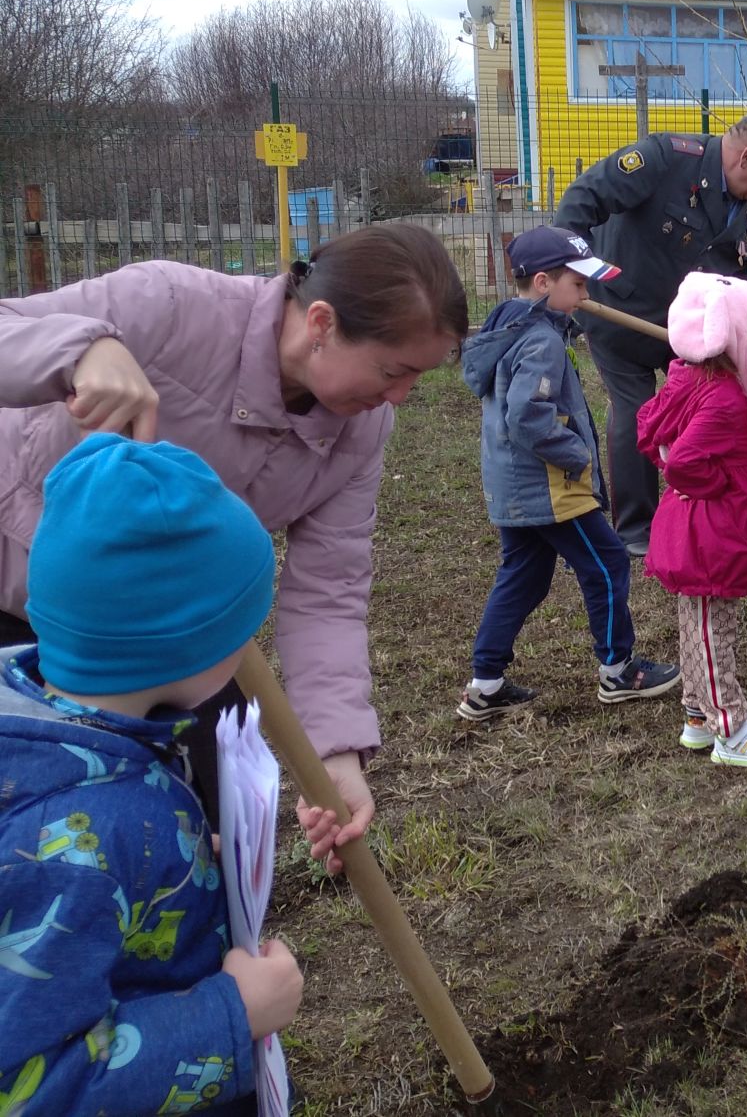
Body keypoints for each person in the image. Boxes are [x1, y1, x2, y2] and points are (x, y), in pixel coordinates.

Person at [0, 223, 470, 874]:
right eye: (394, 371)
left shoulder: (361, 431)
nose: (400, 397)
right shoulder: (167, 305)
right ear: (322, 322)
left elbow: (327, 591)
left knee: (202, 841)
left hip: (180, 645)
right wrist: (81, 350)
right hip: (15, 594)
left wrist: (333, 752)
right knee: (38, 844)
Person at [0, 434, 305, 1110]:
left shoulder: (83, 732)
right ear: (184, 645)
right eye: (240, 629)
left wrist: (185, 863)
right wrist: (234, 1015)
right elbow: (35, 1089)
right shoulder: (67, 842)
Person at [555, 111, 747, 559]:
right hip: (619, 310)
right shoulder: (665, 159)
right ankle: (637, 526)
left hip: (691, 326)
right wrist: (570, 272)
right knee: (637, 409)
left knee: (733, 402)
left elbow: (746, 286)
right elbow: (584, 199)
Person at [455, 226, 680, 722]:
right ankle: (619, 670)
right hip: (551, 486)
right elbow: (527, 415)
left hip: (511, 484)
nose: (585, 296)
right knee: (606, 563)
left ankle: (485, 683)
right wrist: (576, 453)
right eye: (577, 286)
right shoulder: (541, 341)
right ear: (542, 283)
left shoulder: (511, 327)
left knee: (524, 576)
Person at [634, 272, 747, 769]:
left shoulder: (688, 376)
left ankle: (697, 718)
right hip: (710, 529)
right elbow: (682, 461)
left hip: (693, 523)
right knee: (712, 629)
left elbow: (654, 427)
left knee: (695, 620)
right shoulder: (724, 398)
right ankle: (732, 729)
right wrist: (716, 488)